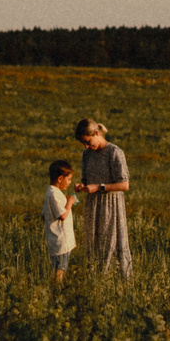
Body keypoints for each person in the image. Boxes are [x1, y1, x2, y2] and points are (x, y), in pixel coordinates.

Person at [76, 118, 131, 276]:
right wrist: (82, 187)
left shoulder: (114, 152)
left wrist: (100, 187)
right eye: (83, 144)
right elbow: (87, 180)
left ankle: (119, 282)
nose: (87, 146)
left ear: (96, 133)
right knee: (93, 245)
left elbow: (124, 185)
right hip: (93, 205)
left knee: (113, 244)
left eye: (88, 142)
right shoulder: (87, 154)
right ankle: (95, 281)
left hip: (111, 205)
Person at [43, 158, 80, 283]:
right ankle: (56, 289)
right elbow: (62, 215)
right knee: (60, 268)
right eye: (68, 179)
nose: (70, 182)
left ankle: (55, 286)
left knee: (58, 267)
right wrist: (70, 202)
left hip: (58, 240)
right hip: (60, 241)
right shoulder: (53, 194)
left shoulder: (52, 193)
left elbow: (44, 215)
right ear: (60, 179)